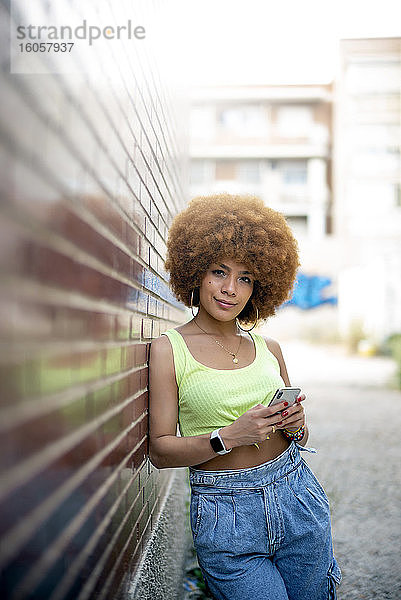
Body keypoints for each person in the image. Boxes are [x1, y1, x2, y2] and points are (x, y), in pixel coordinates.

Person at [149, 193, 341, 600]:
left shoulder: (270, 348)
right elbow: (161, 451)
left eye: (246, 278)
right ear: (196, 271)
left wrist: (297, 427)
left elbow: (300, 438)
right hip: (226, 513)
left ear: (260, 287)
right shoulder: (169, 349)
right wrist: (227, 437)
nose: (230, 289)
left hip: (296, 496)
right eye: (219, 272)